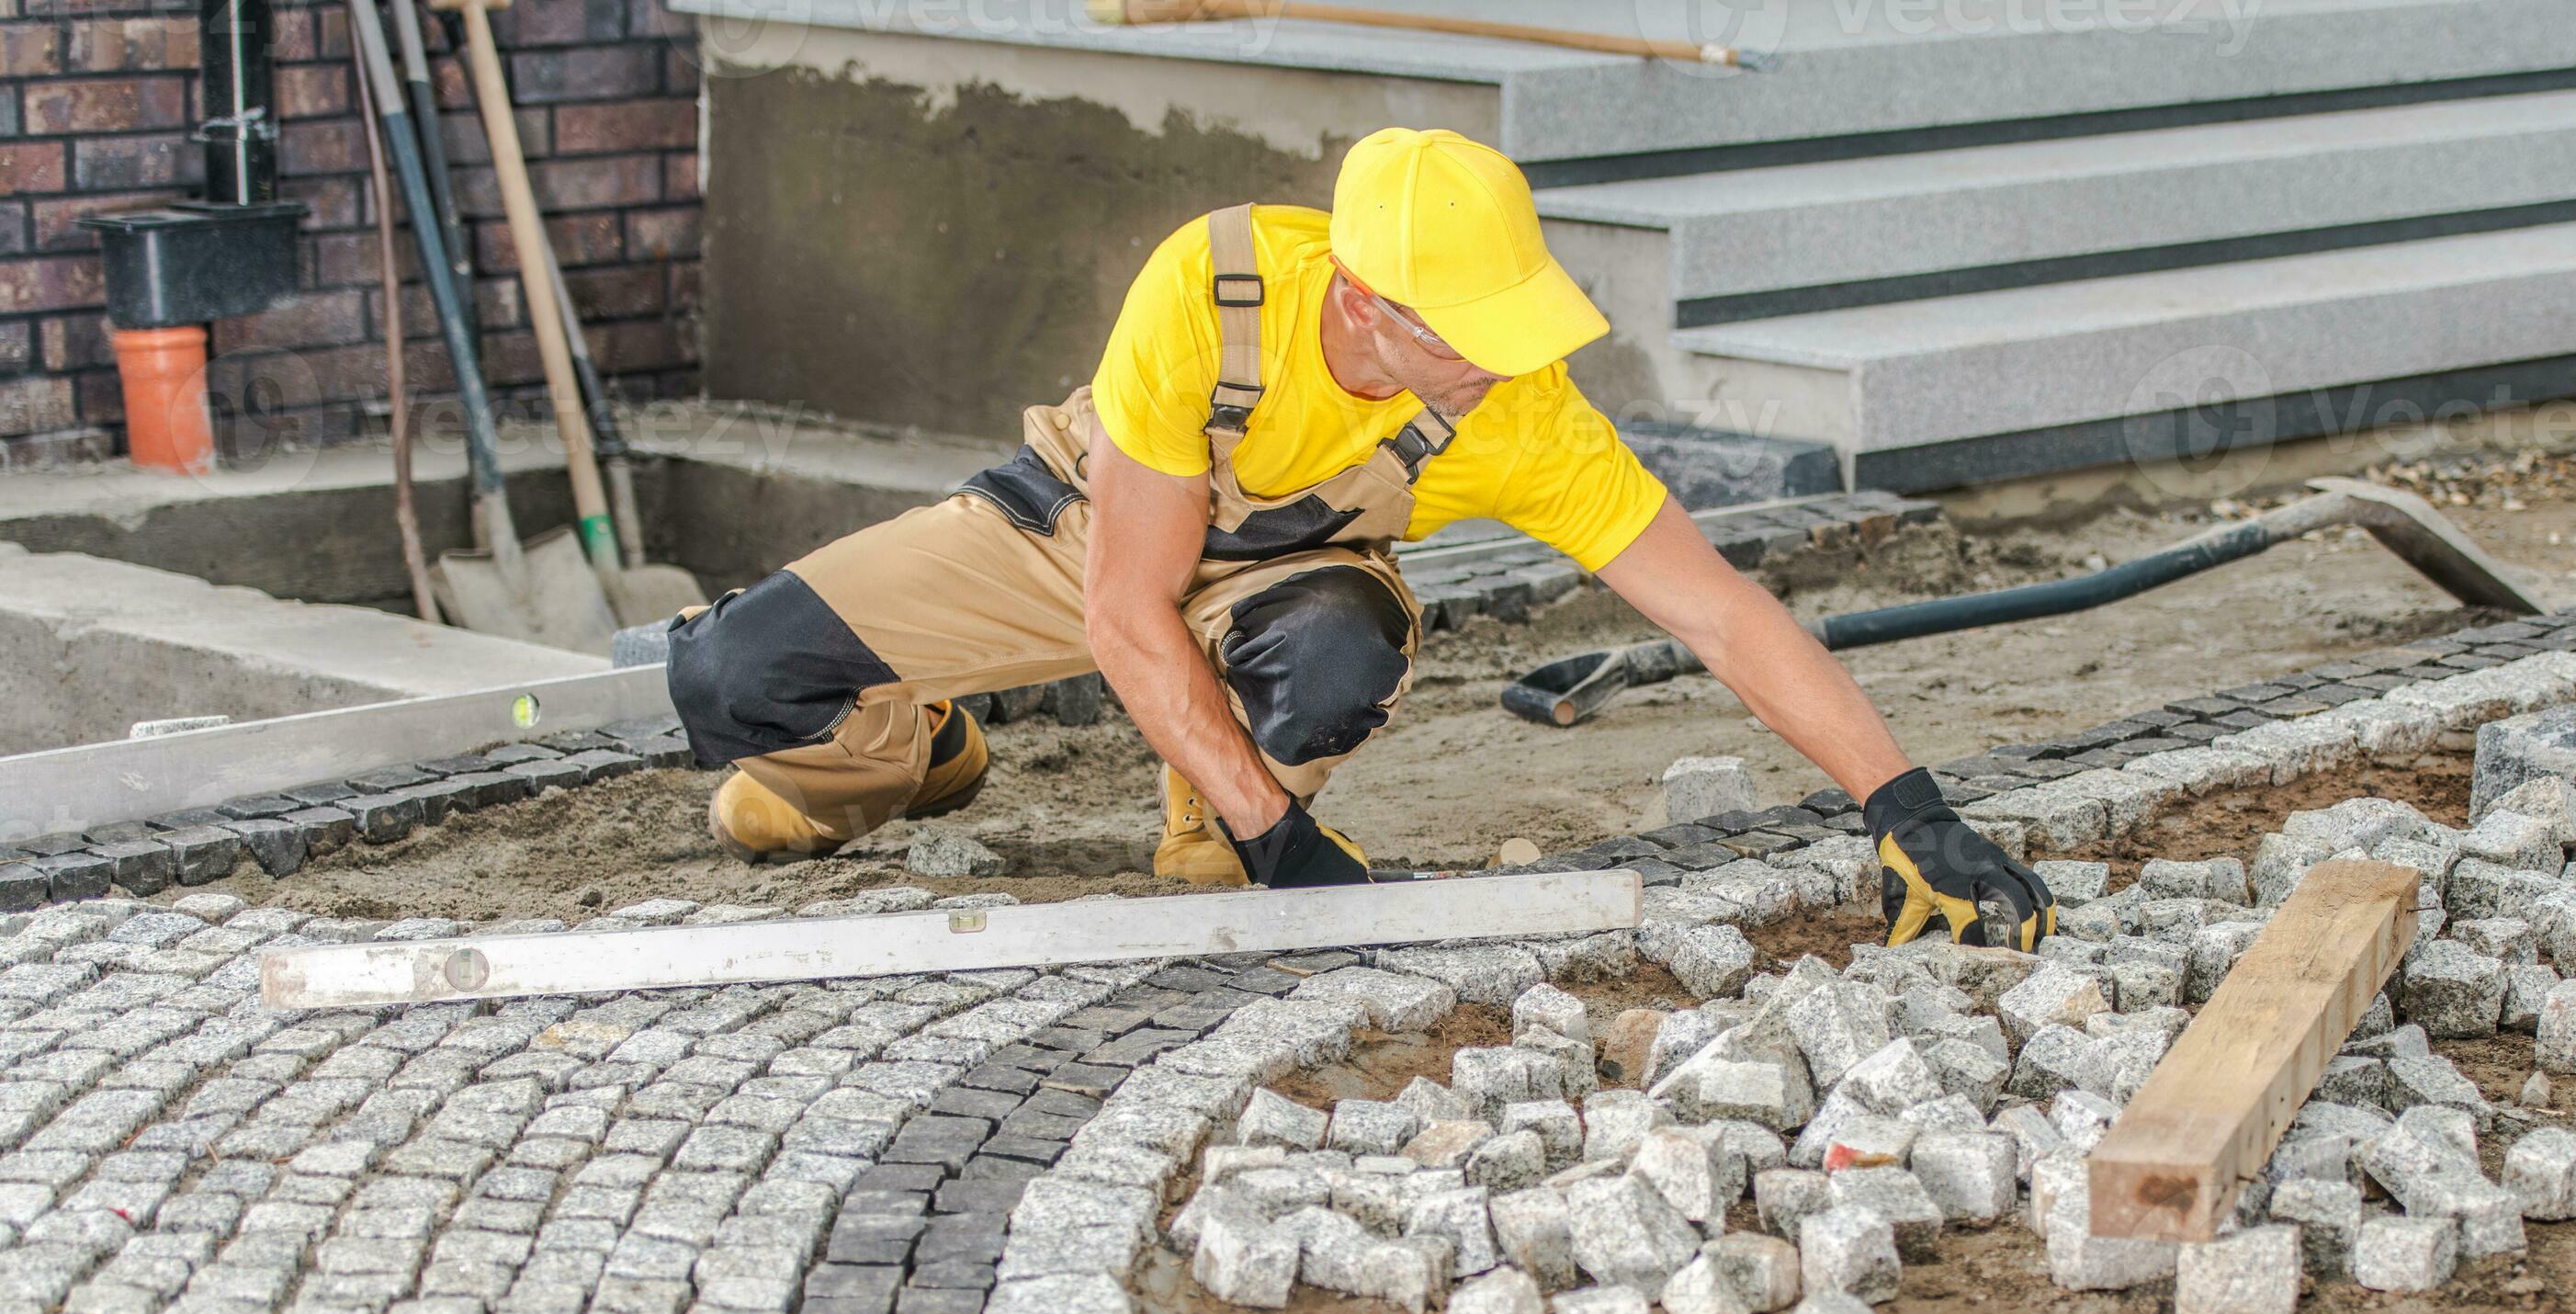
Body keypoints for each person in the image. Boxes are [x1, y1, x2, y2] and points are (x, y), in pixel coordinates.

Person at [664, 126, 2051, 947]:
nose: (1500, 369)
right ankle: (919, 753)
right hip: (1086, 530)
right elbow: (1121, 611)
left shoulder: (1524, 415)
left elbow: (1719, 614)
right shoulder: (1210, 290)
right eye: (1469, 338)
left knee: (1333, 664)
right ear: (1364, 302)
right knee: (728, 683)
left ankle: (1205, 805)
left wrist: (1905, 807)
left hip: (1278, 586)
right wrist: (1294, 845)